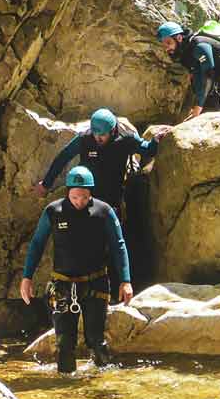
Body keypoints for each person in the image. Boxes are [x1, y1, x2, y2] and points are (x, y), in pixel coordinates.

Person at [19, 165, 133, 372]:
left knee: (96, 340)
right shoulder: (54, 211)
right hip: (62, 285)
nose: (80, 201)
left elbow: (119, 245)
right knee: (64, 343)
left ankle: (104, 381)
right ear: (68, 192)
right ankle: (65, 388)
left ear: (91, 193)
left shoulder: (103, 211)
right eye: (75, 197)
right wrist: (27, 278)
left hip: (96, 283)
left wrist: (125, 280)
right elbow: (37, 244)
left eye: (84, 197)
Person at [34, 108, 157, 215]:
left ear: (113, 130)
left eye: (102, 135)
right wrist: (46, 184)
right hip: (84, 196)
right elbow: (63, 157)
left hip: (111, 197)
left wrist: (155, 141)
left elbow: (147, 150)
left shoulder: (126, 139)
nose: (97, 138)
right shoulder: (85, 138)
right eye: (95, 133)